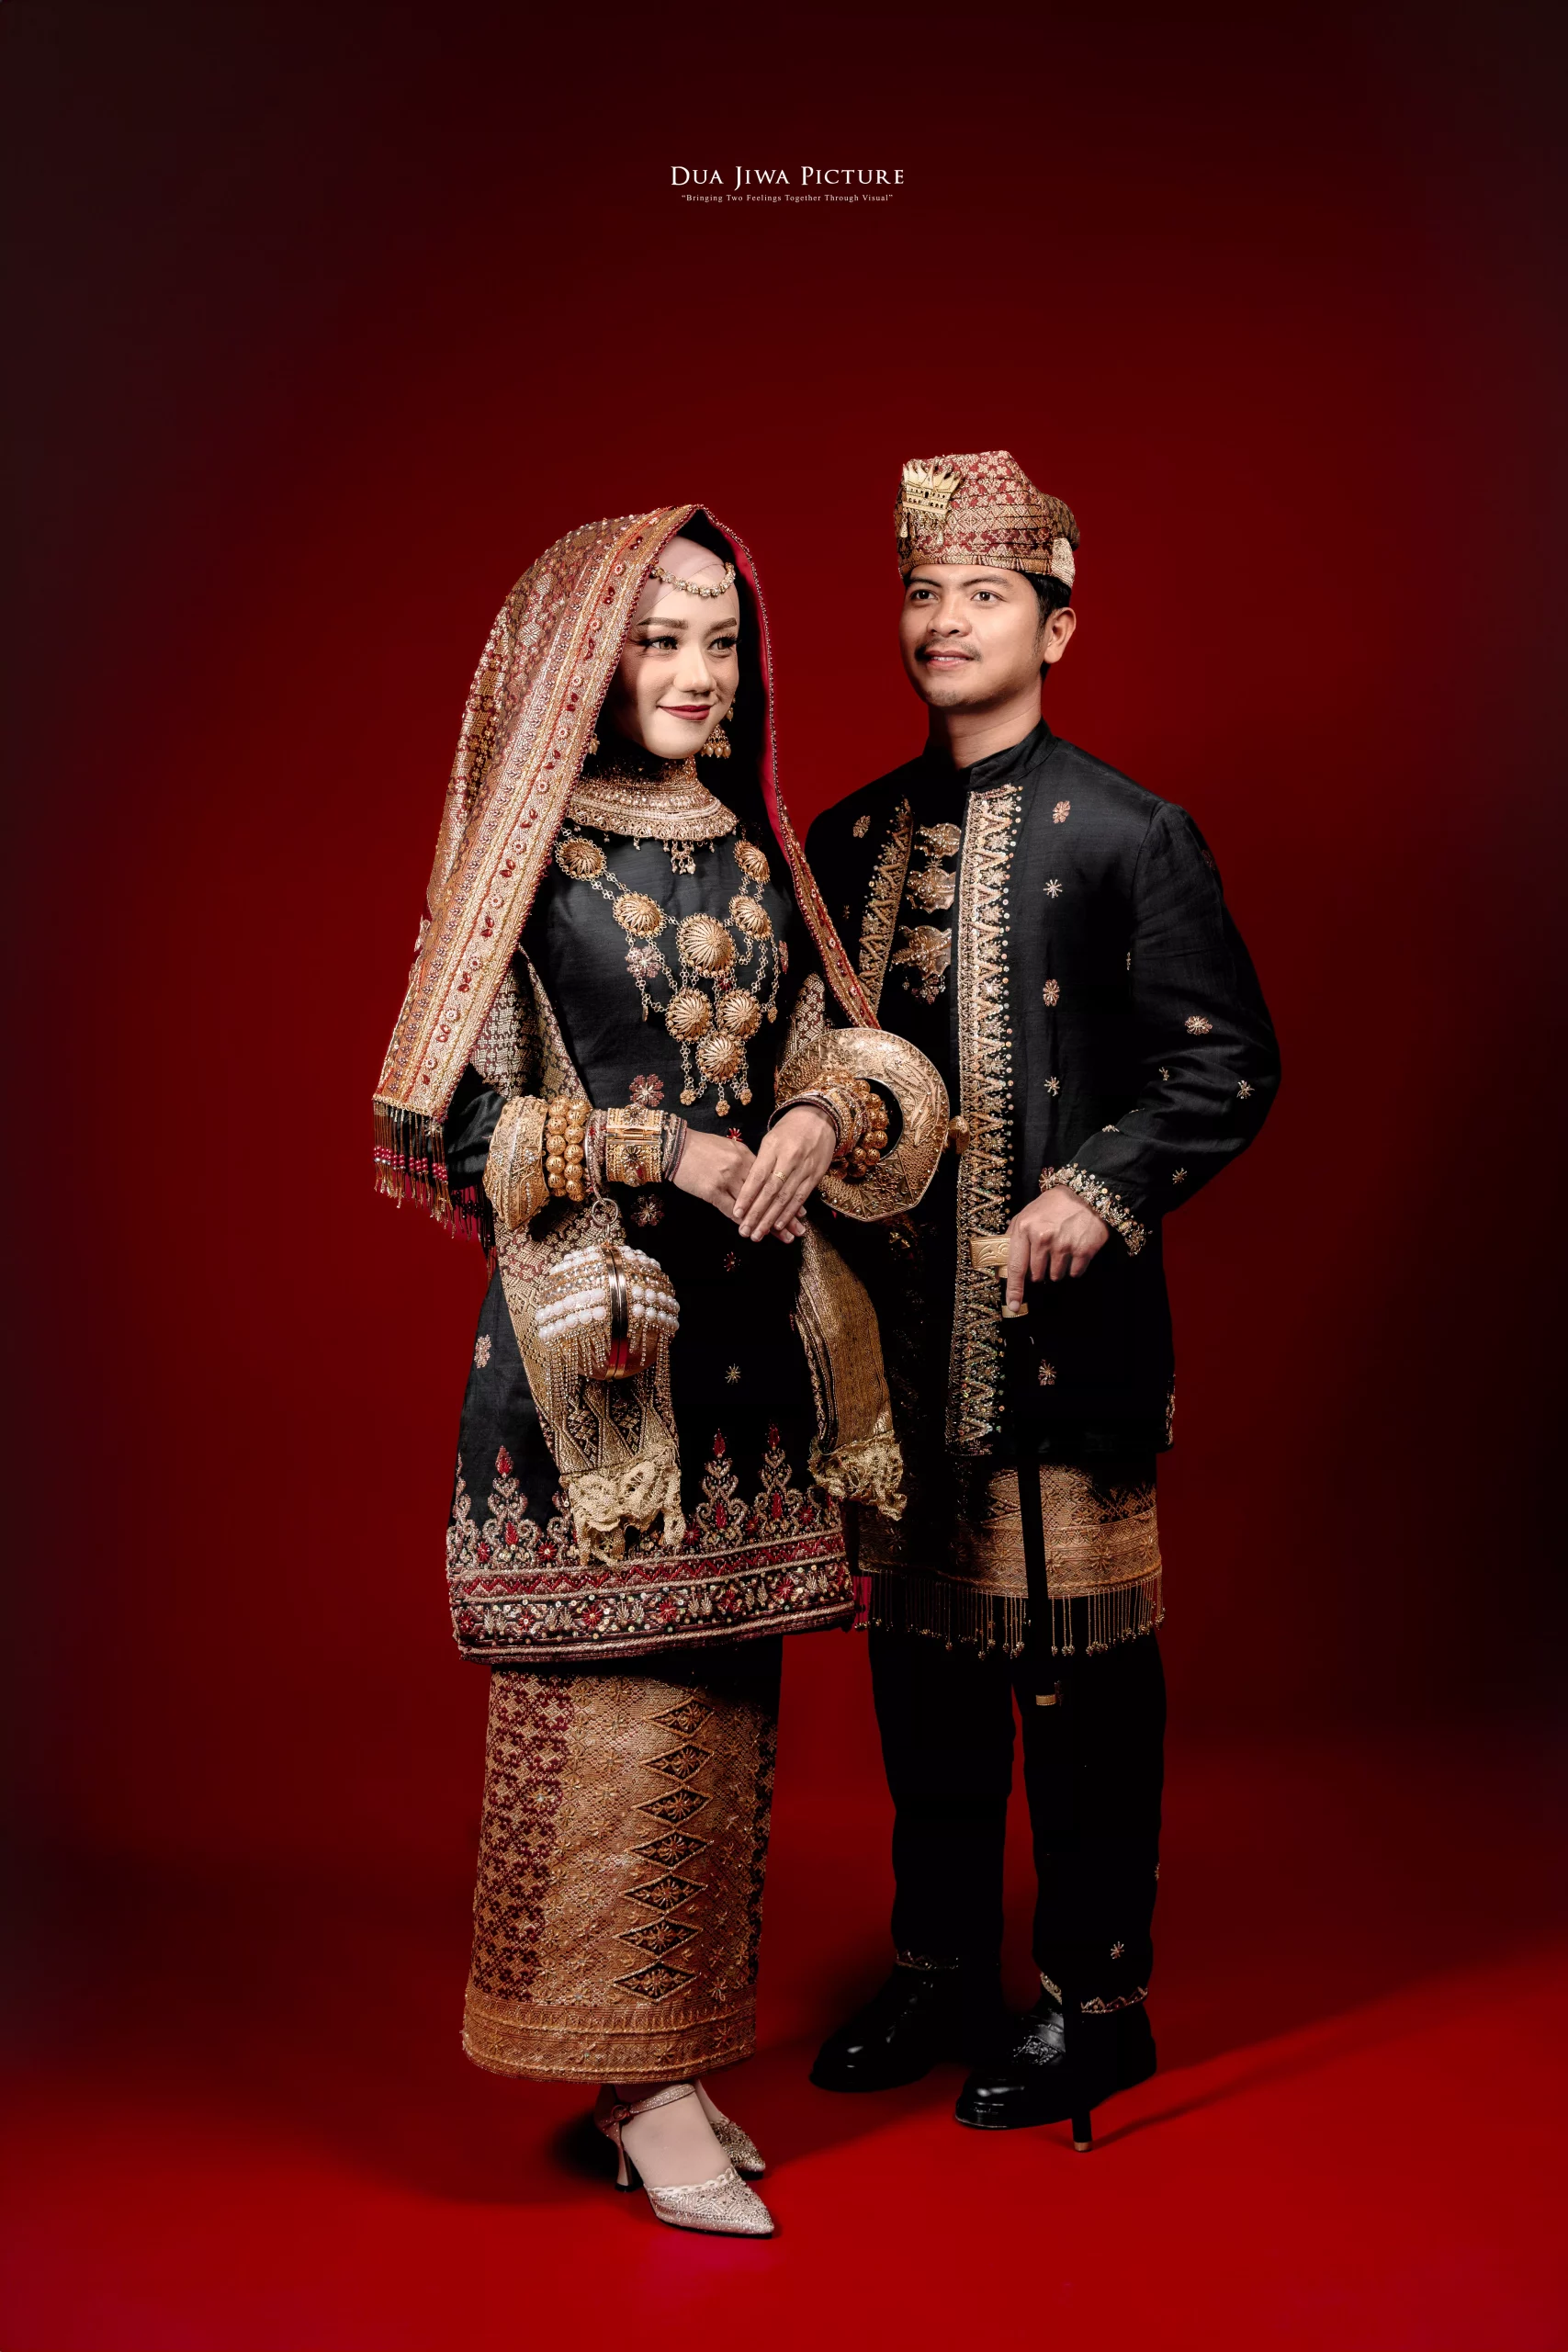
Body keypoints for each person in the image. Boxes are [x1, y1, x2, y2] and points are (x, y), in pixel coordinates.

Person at [374, 505, 943, 2235]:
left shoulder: (751, 851)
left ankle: (668, 2066)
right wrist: (657, 1150)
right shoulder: (523, 865)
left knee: (716, 1706)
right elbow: (438, 1119)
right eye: (658, 640)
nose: (698, 674)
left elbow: (837, 1055)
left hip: (751, 1349)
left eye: (720, 642)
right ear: (581, 662)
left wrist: (810, 1117)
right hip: (597, 1348)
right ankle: (634, 2083)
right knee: (610, 1704)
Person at [805, 450, 1280, 2137]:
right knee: (920, 1675)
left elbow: (1224, 1063)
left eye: (984, 595)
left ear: (1056, 624)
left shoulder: (1134, 832)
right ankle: (939, 1968)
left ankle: (1097, 2000)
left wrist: (1100, 1188)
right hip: (890, 1343)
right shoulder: (847, 838)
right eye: (922, 594)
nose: (944, 622)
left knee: (1077, 1678)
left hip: (1059, 1341)